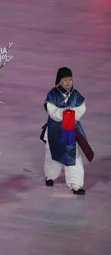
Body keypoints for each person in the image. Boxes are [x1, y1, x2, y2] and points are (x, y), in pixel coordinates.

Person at [41, 67, 92, 195]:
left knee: (73, 155)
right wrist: (65, 113)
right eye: (65, 80)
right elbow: (52, 111)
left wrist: (72, 114)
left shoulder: (75, 94)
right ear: (60, 80)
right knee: (53, 153)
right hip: (55, 130)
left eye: (70, 79)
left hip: (70, 130)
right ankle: (50, 176)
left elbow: (81, 109)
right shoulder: (53, 94)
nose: (68, 82)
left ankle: (76, 185)